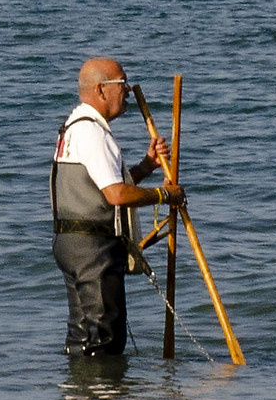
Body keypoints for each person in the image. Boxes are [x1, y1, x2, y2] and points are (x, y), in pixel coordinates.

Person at [49, 57, 181, 358]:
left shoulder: (73, 127)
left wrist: (146, 166)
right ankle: (103, 388)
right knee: (105, 336)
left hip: (71, 243)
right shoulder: (92, 133)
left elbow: (105, 185)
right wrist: (165, 195)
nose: (129, 90)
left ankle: (81, 385)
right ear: (101, 89)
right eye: (122, 83)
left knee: (83, 333)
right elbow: (116, 195)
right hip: (93, 248)